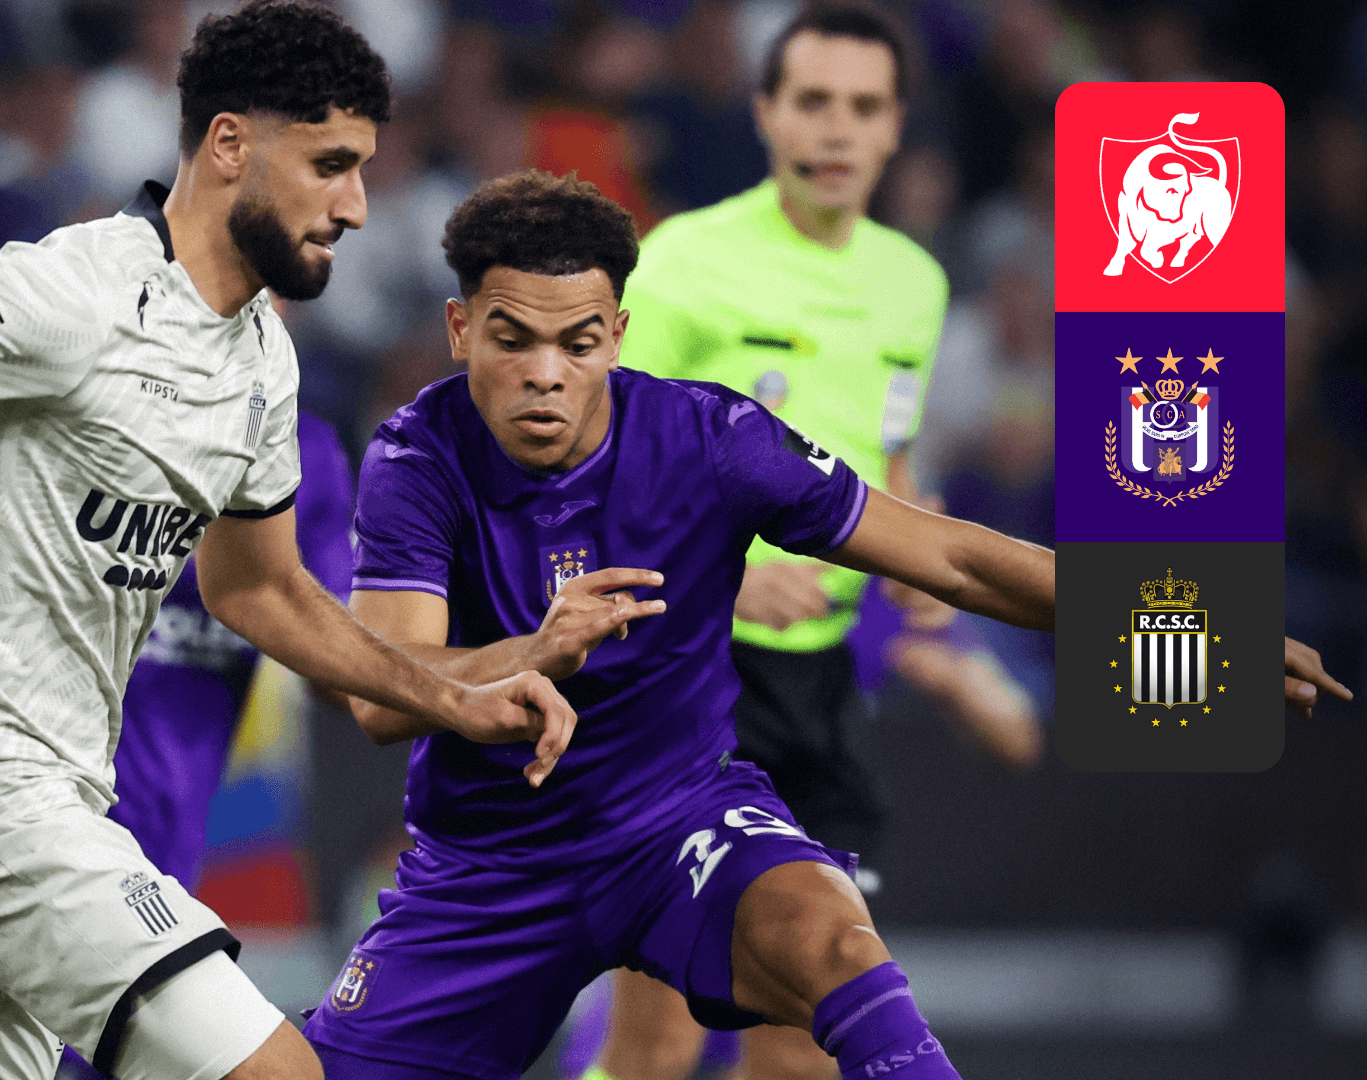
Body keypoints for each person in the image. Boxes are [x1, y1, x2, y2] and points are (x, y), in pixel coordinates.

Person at [0, 7, 575, 1080]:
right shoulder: (77, 291)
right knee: (278, 1073)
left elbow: (263, 593)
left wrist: (455, 697)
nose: (355, 206)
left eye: (362, 170)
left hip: (39, 795)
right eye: (329, 165)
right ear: (228, 145)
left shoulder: (262, 361)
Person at [301, 171, 1054, 1080]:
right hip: (490, 866)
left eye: (579, 343)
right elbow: (383, 696)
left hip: (677, 827)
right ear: (462, 331)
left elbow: (955, 559)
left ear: (618, 335)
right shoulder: (417, 456)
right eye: (513, 339)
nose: (546, 374)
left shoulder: (714, 438)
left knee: (838, 945)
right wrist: (533, 651)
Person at [600, 5, 1031, 1075]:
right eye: (814, 102)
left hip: (823, 687)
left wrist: (918, 572)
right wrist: (725, 582)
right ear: (766, 113)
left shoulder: (913, 284)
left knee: (804, 1034)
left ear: (896, 127)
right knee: (659, 1034)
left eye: (864, 107)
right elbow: (594, 471)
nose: (837, 129)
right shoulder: (683, 262)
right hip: (686, 678)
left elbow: (891, 456)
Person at [0, 410, 355, 1080]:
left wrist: (450, 679)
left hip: (158, 864)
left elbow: (342, 670)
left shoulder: (298, 448)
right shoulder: (97, 384)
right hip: (33, 838)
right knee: (271, 1068)